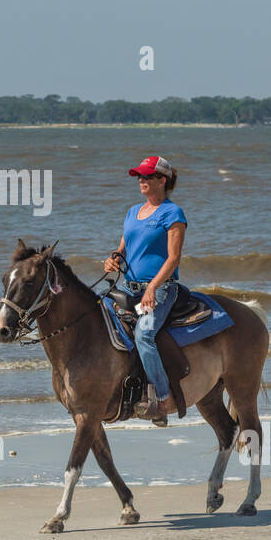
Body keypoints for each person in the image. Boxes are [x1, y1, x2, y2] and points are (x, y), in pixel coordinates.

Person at [104, 155, 187, 426]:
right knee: (97, 315)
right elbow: (124, 245)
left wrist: (153, 287)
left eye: (147, 176)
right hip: (128, 286)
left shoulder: (172, 213)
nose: (141, 180)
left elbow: (173, 258)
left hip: (161, 289)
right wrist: (114, 257)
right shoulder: (133, 211)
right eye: (139, 176)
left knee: (144, 334)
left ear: (162, 180)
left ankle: (162, 400)